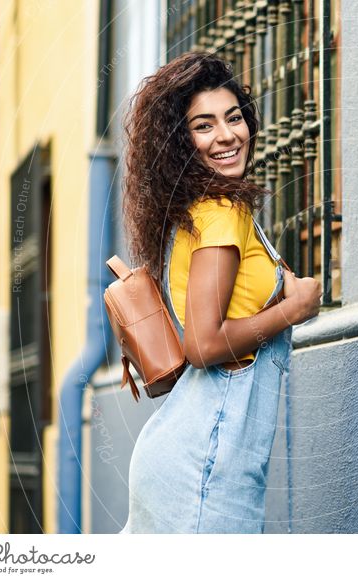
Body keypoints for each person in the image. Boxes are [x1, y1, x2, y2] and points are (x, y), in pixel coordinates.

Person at [118, 52, 322, 533]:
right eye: (203, 125)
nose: (227, 136)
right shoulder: (220, 214)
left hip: (197, 454)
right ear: (182, 143)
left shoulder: (204, 212)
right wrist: (294, 308)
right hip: (205, 464)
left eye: (234, 118)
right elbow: (204, 345)